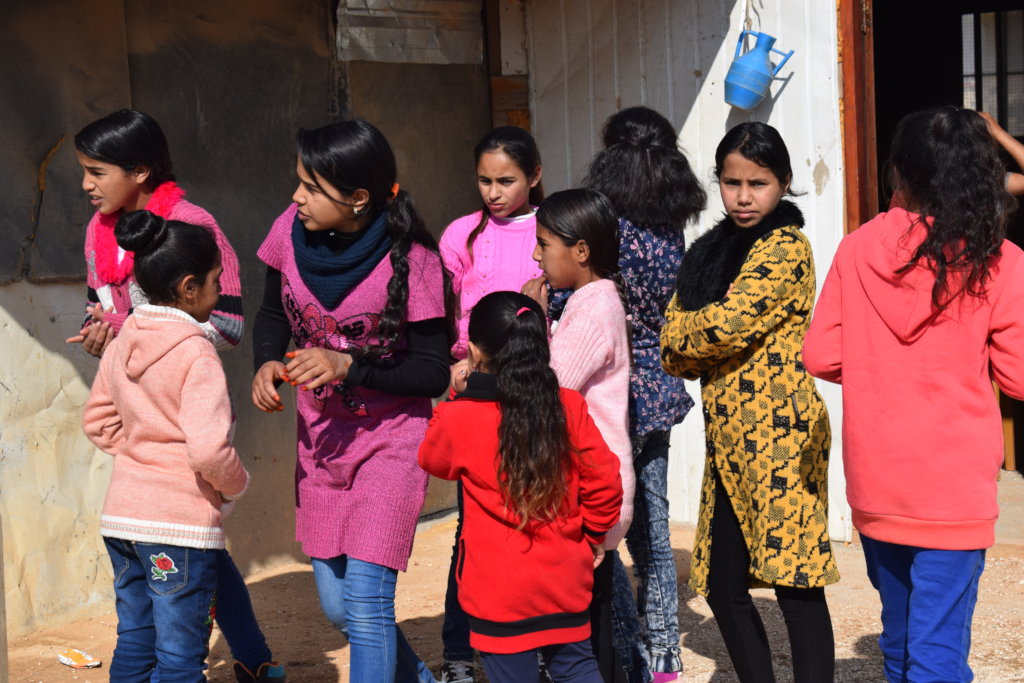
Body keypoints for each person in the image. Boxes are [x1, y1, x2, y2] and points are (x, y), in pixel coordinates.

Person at [803, 106, 1024, 683]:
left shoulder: (857, 248)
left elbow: (820, 356)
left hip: (877, 478)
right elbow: (1021, 376)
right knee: (938, 654)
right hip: (954, 487)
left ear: (897, 173)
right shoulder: (1000, 260)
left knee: (900, 642)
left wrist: (883, 370)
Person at [68, 110, 282, 682]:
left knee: (154, 616)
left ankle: (256, 660)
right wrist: (108, 333)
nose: (86, 185)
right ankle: (258, 661)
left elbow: (229, 322)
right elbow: (104, 310)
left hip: (138, 483)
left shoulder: (193, 226)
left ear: (139, 171)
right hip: (174, 472)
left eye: (96, 171)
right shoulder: (100, 231)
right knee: (183, 637)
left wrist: (130, 339)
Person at [251, 118, 451, 682]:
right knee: (340, 608)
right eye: (299, 182)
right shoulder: (287, 232)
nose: (297, 197)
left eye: (311, 187)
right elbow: (270, 315)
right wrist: (267, 358)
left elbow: (433, 372)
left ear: (359, 198)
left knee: (366, 607)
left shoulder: (416, 261)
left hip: (392, 443)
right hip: (320, 447)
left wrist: (349, 366)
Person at [660, 122, 838, 683]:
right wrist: (684, 336)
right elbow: (678, 336)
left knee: (795, 579)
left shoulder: (785, 246)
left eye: (757, 183)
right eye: (731, 182)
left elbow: (718, 329)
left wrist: (684, 335)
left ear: (783, 183)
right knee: (722, 585)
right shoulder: (716, 249)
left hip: (781, 434)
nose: (742, 196)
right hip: (733, 439)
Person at [419, 290, 623, 683]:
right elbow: (605, 480)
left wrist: (455, 395)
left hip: (498, 592)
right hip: (564, 578)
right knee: (577, 667)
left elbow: (433, 460)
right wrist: (594, 534)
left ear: (475, 353)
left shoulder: (458, 417)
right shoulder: (567, 404)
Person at [82, 209, 250, 680]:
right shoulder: (197, 351)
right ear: (189, 288)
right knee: (180, 655)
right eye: (216, 283)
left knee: (135, 638)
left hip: (122, 519)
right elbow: (209, 453)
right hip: (177, 526)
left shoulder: (123, 339)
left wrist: (141, 455)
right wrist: (236, 486)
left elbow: (96, 421)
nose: (220, 294)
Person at [582, 106, 706, 683]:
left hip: (601, 386)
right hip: (655, 387)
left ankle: (622, 643)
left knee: (600, 519)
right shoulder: (670, 223)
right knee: (652, 521)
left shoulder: (600, 224)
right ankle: (664, 652)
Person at [436, 126, 544, 683]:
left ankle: (541, 646)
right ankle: (459, 650)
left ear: (535, 177)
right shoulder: (461, 235)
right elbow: (449, 312)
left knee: (538, 517)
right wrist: (459, 361)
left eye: (507, 180)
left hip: (536, 391)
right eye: (484, 180)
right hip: (476, 389)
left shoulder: (551, 233)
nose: (494, 192)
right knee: (471, 527)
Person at [522, 189, 633, 683]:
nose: (536, 255)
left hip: (593, 485)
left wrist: (529, 323)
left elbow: (549, 388)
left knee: (586, 623)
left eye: (545, 244)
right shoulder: (591, 300)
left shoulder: (591, 308)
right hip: (595, 478)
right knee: (597, 610)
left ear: (581, 251)